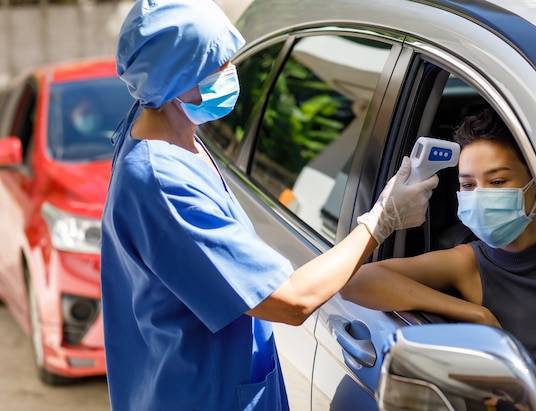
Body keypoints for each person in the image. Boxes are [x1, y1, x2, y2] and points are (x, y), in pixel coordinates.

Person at [99, 1, 439, 410]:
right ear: (172, 81)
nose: (230, 72)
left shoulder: (166, 121)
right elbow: (292, 301)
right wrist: (382, 219)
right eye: (215, 65)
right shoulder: (160, 181)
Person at [340, 107, 536, 407]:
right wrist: (475, 314)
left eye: (497, 182)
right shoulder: (468, 263)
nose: (480, 196)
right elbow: (353, 280)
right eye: (468, 185)